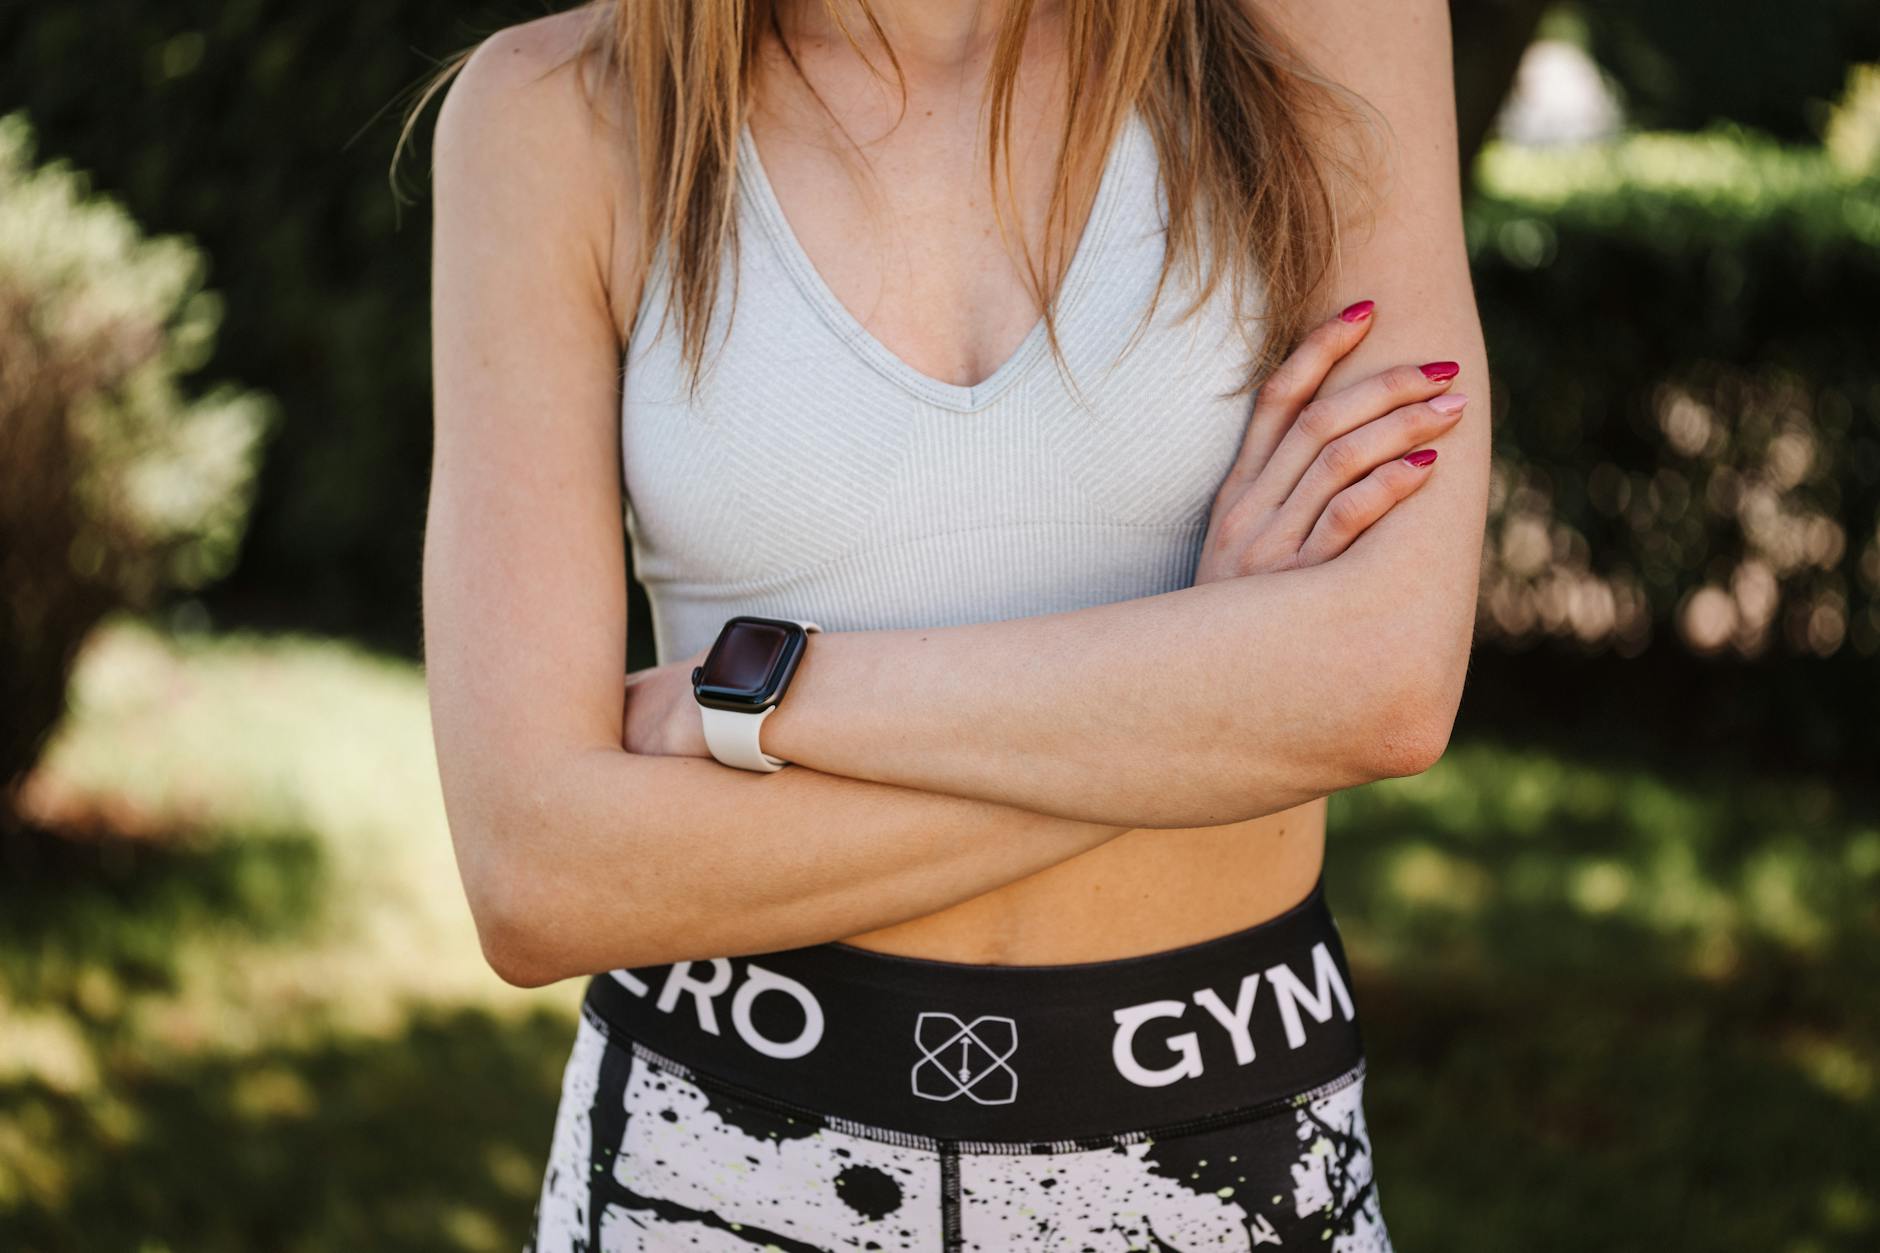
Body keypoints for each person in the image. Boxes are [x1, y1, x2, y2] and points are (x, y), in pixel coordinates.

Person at [417, 0, 1487, 1247]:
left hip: (1227, 1153)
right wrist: (1207, 682)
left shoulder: (1317, 28)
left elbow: (1383, 681)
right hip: (715, 1161)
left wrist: (779, 696)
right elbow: (540, 874)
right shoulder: (556, 108)